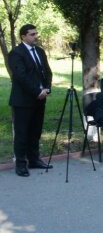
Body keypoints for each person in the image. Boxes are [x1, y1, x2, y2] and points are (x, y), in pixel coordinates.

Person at [9, 24, 53, 177]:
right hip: (23, 100)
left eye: (36, 33)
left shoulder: (40, 51)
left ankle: (34, 160)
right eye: (32, 34)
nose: (36, 36)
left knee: (35, 132)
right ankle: (21, 164)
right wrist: (37, 91)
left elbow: (47, 71)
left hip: (40, 99)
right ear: (23, 36)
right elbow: (21, 76)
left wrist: (47, 89)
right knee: (22, 134)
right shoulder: (16, 53)